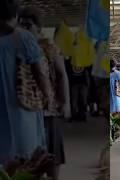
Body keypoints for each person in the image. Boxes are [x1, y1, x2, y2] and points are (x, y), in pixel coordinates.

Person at [18, 7, 70, 179]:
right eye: (21, 24)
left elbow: (62, 75)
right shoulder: (16, 47)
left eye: (28, 24)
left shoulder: (49, 47)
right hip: (27, 111)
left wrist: (65, 102)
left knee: (52, 153)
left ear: (38, 27)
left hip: (49, 110)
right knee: (32, 157)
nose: (24, 28)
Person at [0, 0, 49, 165]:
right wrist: (48, 97)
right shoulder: (23, 37)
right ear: (15, 15)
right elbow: (39, 73)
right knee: (25, 155)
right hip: (22, 105)